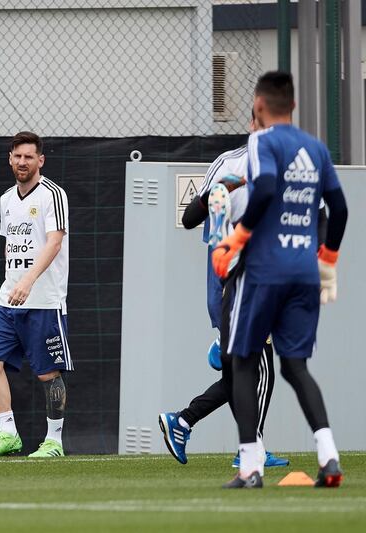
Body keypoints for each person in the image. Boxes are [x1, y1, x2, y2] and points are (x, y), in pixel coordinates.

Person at [213, 71, 348, 488]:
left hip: (265, 271)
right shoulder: (316, 147)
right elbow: (339, 209)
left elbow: (267, 186)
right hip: (305, 273)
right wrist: (327, 261)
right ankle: (328, 458)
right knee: (294, 365)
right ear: (293, 106)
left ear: (257, 105)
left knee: (242, 360)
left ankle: (250, 467)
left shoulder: (261, 142)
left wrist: (235, 239)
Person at [158, 111, 289, 469]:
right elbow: (203, 229)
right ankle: (250, 448)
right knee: (260, 370)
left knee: (240, 373)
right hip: (235, 288)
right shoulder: (229, 165)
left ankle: (183, 421)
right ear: (253, 127)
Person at [0, 131, 71, 459]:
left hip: (44, 301)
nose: (22, 162)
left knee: (48, 373)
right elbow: (10, 246)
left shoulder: (52, 195)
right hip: (8, 300)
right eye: (17, 156)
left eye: (29, 157)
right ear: (10, 159)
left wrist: (29, 281)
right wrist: (14, 282)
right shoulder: (5, 199)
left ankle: (54, 441)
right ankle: (8, 435)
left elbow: (54, 242)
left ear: (40, 160)